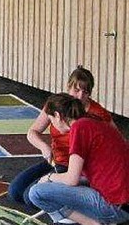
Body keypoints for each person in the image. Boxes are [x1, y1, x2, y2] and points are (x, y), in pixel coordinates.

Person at [28, 93, 129, 225]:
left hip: (116, 206)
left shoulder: (79, 128)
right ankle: (101, 222)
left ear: (57, 115)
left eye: (52, 120)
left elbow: (71, 179)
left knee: (37, 193)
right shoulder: (93, 122)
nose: (53, 126)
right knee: (57, 187)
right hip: (122, 201)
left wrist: (50, 177)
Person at [8, 67, 113, 208]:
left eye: (85, 92)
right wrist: (44, 147)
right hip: (55, 159)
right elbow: (32, 131)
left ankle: (74, 207)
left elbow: (116, 141)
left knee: (30, 197)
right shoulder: (56, 104)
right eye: (76, 90)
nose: (80, 96)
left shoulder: (98, 114)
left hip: (77, 167)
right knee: (15, 192)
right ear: (68, 87)